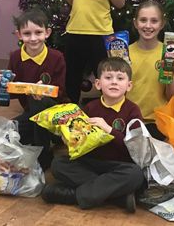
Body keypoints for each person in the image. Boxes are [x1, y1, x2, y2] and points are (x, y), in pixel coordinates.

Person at [41, 57, 145, 213]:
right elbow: (80, 139)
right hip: (90, 162)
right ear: (98, 84)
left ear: (129, 85)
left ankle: (73, 195)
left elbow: (136, 148)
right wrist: (69, 139)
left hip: (118, 165)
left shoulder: (132, 110)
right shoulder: (90, 107)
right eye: (108, 78)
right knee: (58, 165)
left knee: (136, 175)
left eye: (120, 78)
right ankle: (118, 197)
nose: (114, 82)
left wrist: (109, 130)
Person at [0, 9, 67, 170]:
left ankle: (44, 155)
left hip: (55, 110)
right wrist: (5, 83)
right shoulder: (15, 57)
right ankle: (50, 137)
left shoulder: (56, 57)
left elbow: (60, 92)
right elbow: (11, 95)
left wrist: (43, 90)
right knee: (9, 134)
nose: (33, 38)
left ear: (47, 33)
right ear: (19, 35)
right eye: (27, 33)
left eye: (38, 32)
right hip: (31, 114)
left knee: (36, 99)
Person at [126, 0, 174, 140]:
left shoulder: (170, 54)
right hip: (129, 119)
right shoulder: (125, 54)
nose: (148, 26)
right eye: (143, 20)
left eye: (154, 21)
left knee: (150, 156)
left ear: (162, 24)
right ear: (135, 23)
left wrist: (170, 76)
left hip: (156, 122)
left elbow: (172, 97)